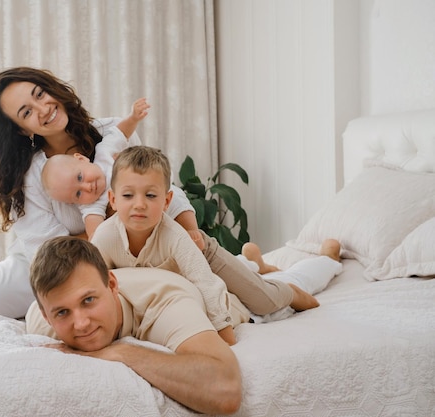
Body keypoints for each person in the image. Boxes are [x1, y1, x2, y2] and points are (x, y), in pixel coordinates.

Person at [0, 67, 191, 318]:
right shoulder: (29, 176)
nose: (43, 108)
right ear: (22, 129)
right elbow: (51, 251)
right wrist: (117, 223)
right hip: (41, 268)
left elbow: (153, 192)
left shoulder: (113, 133)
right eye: (26, 112)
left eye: (40, 94)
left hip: (118, 262)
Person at [90, 146, 343, 343]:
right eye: (127, 195)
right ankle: (255, 265)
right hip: (179, 279)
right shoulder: (104, 237)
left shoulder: (175, 236)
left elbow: (205, 283)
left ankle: (289, 289)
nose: (139, 204)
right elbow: (94, 281)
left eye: (151, 195)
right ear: (112, 199)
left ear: (167, 202)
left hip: (205, 258)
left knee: (263, 302)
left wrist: (224, 333)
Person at [25, 236, 242, 415]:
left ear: (112, 285)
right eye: (63, 313)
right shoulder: (38, 318)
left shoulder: (165, 303)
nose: (81, 324)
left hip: (220, 295)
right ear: (47, 316)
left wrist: (122, 352)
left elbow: (226, 389)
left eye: (88, 300)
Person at [41, 97, 150, 240]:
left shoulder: (104, 154)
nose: (87, 187)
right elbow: (95, 233)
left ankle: (190, 227)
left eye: (80, 177)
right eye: (78, 194)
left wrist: (133, 117)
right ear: (73, 202)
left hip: (148, 196)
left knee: (174, 196)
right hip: (136, 222)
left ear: (81, 158)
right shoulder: (92, 205)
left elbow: (120, 133)